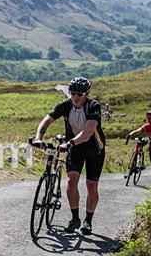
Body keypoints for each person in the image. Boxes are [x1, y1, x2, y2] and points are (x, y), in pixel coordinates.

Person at [33, 77, 105, 235]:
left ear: (86, 94)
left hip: (94, 148)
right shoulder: (66, 105)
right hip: (75, 148)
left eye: (80, 94)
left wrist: (70, 143)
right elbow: (46, 121)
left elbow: (87, 132)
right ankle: (75, 219)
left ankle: (88, 220)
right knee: (71, 181)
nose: (76, 97)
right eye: (73, 93)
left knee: (91, 186)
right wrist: (39, 138)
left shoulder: (93, 106)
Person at [126, 110, 151, 183]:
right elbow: (138, 131)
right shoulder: (147, 126)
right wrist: (130, 135)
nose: (150, 120)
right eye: (148, 118)